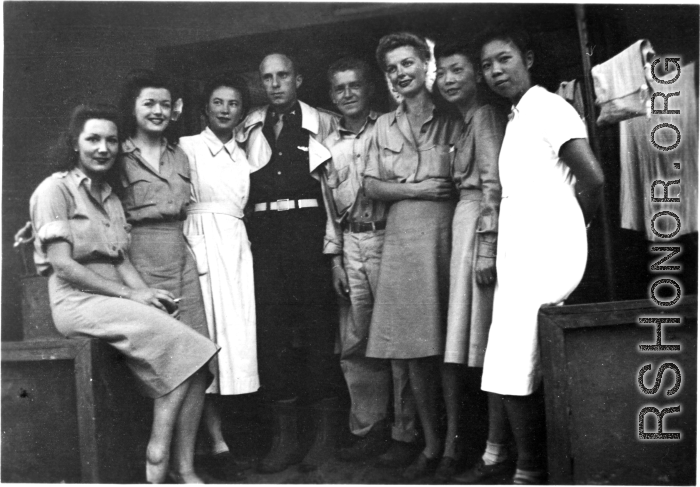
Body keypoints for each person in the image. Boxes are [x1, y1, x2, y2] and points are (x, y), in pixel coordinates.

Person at [29, 104, 218, 484]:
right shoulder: (55, 189)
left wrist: (147, 293)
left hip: (112, 298)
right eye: (93, 139)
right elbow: (63, 265)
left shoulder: (111, 197)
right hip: (75, 301)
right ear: (75, 143)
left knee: (199, 352)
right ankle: (157, 454)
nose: (103, 148)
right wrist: (131, 297)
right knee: (187, 347)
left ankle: (176, 463)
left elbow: (120, 260)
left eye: (111, 140)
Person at [475, 24, 604, 485]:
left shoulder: (549, 107)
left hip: (547, 248)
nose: (495, 70)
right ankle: (505, 460)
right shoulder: (517, 116)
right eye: (487, 65)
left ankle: (528, 472)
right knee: (507, 354)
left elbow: (593, 179)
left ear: (526, 58)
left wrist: (570, 227)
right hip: (522, 248)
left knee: (515, 358)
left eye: (504, 58)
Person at [236, 52, 343, 473]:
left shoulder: (325, 122)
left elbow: (335, 186)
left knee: (319, 331)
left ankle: (324, 436)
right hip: (265, 239)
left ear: (298, 78)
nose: (276, 84)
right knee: (273, 334)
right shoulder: (250, 125)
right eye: (268, 78)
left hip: (308, 234)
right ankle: (285, 438)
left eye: (283, 76)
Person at [363, 32, 462, 481]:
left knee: (449, 348)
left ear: (427, 65)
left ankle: (455, 446)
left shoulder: (453, 115)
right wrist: (417, 188)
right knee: (413, 351)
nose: (401, 73)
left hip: (445, 239)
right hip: (402, 243)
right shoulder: (383, 125)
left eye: (408, 64)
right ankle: (431, 443)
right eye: (392, 69)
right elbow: (371, 185)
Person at [116, 70, 214, 483]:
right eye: (148, 103)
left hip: (181, 259)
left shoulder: (180, 156)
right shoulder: (117, 156)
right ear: (134, 109)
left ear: (174, 110)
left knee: (199, 360)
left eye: (163, 104)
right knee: (168, 363)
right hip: (139, 261)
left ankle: (185, 466)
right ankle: (157, 454)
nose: (157, 111)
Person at [321, 57, 419, 464]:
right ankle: (369, 429)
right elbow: (330, 209)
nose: (347, 94)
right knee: (356, 343)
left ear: (369, 88)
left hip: (389, 241)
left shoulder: (391, 127)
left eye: (354, 85)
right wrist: (336, 259)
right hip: (352, 245)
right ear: (331, 95)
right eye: (339, 88)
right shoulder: (328, 144)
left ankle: (406, 433)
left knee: (398, 341)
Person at [432, 39, 507, 481]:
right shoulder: (462, 121)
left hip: (478, 225)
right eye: (442, 73)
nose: (449, 79)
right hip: (462, 225)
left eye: (457, 69)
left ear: (475, 75)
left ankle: (495, 451)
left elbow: (494, 184)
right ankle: (471, 445)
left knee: (484, 345)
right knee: (462, 345)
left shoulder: (484, 116)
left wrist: (487, 247)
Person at [179, 73, 259, 480]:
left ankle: (227, 437)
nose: (225, 110)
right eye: (218, 102)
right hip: (200, 244)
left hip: (235, 246)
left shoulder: (245, 153)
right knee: (206, 342)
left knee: (234, 345)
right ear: (205, 108)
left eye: (233, 103)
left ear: (242, 111)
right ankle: (214, 441)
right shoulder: (187, 147)